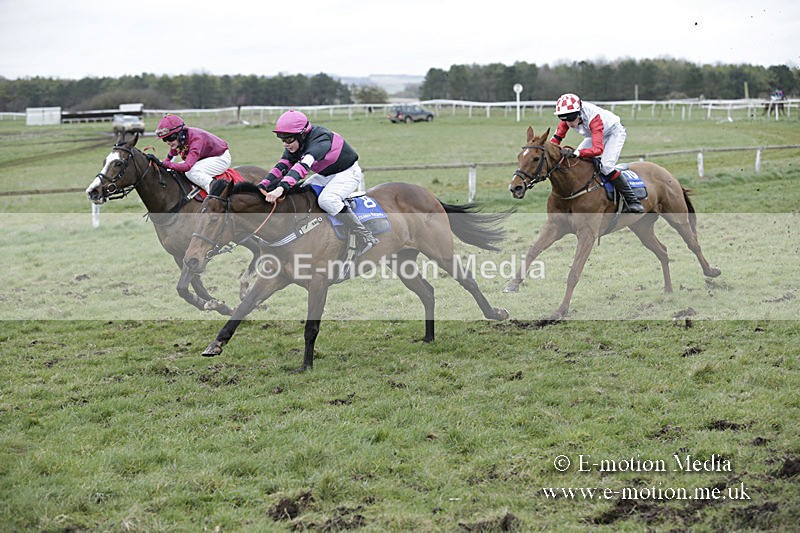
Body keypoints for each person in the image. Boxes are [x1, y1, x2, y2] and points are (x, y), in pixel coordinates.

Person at [258, 110, 379, 255]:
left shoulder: (321, 139)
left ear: (302, 134)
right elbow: (281, 167)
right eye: (282, 139)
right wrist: (262, 185)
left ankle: (365, 236)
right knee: (302, 192)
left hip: (347, 173)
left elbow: (302, 167)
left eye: (288, 139)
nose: (285, 144)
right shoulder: (295, 144)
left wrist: (281, 188)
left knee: (327, 200)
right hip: (326, 174)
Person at [550, 93, 644, 213]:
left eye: (571, 118)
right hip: (594, 134)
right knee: (576, 162)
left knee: (606, 166)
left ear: (579, 112)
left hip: (614, 132)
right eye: (564, 119)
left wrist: (577, 152)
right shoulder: (568, 117)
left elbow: (597, 150)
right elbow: (556, 140)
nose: (569, 123)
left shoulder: (593, 117)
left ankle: (632, 201)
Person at [155, 114, 232, 193]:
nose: (168, 142)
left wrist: (163, 163)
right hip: (205, 158)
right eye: (164, 139)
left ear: (181, 134)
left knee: (192, 172)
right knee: (176, 170)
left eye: (170, 138)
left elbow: (186, 166)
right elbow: (171, 156)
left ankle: (216, 194)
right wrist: (161, 165)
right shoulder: (179, 140)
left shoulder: (196, 139)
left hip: (220, 157)